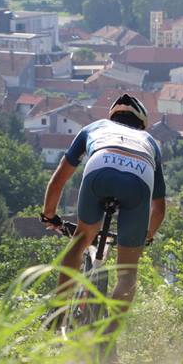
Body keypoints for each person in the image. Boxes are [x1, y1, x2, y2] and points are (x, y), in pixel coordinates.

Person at [40, 93, 166, 334]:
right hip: (138, 183)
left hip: (99, 170)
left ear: (113, 116)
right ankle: (109, 336)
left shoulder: (94, 127)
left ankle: (58, 312)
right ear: (141, 123)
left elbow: (58, 181)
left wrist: (49, 215)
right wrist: (146, 236)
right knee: (127, 272)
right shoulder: (149, 141)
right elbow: (159, 208)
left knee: (80, 242)